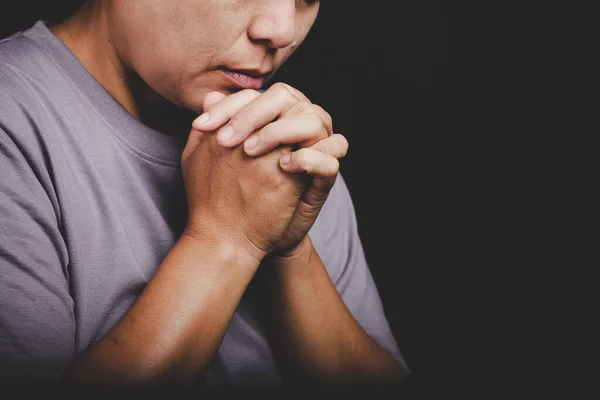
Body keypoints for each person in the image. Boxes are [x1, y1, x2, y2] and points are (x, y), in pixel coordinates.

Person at [0, 0, 410, 392]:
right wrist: (227, 239)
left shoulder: (287, 137)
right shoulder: (15, 117)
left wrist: (290, 252)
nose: (283, 30)